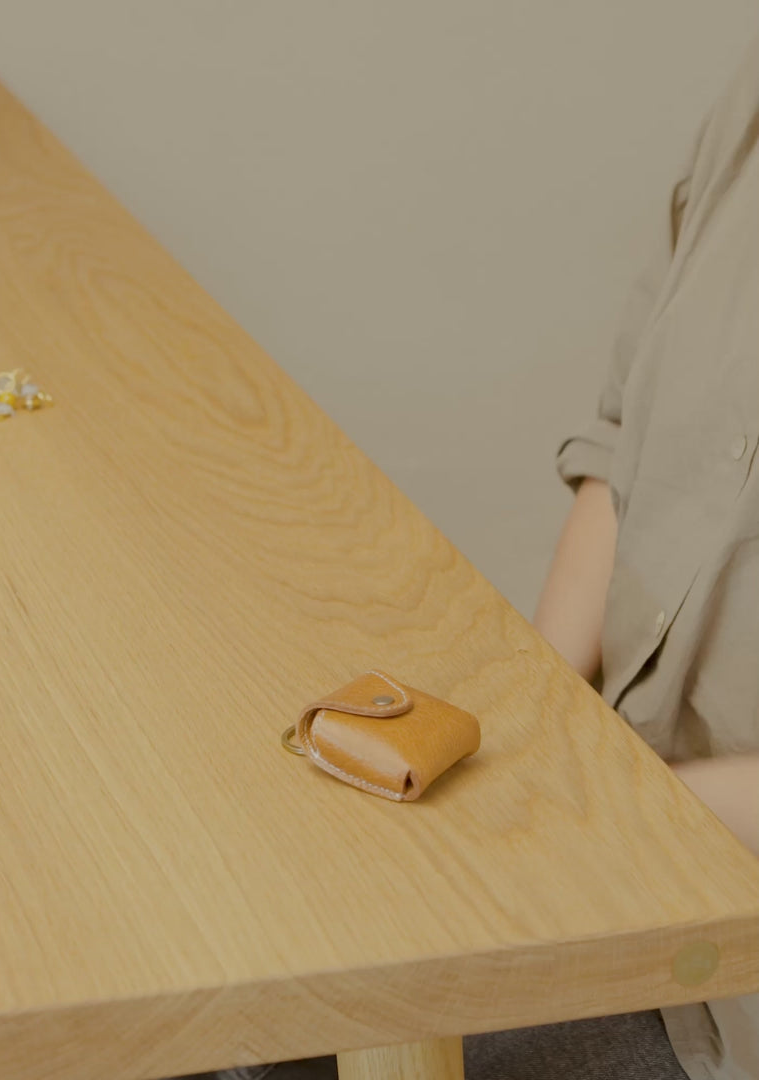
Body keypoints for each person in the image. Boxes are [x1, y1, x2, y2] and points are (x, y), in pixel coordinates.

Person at [203, 30, 759, 1080]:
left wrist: (604, 807)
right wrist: (535, 714)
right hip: (606, 842)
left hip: (716, 980)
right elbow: (622, 449)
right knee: (228, 954)